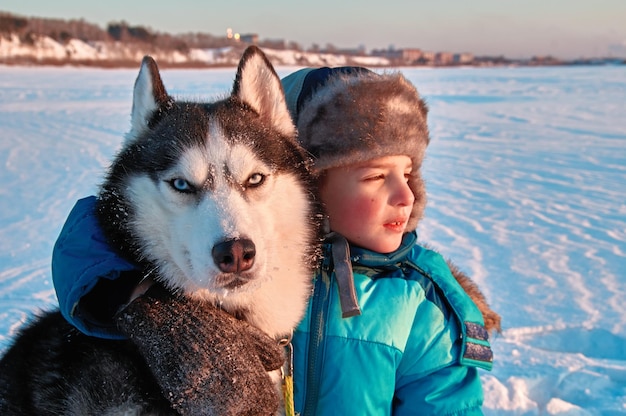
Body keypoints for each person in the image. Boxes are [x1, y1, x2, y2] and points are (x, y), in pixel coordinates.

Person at [52, 66, 496, 415]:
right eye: (376, 176)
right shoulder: (271, 266)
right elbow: (95, 233)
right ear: (312, 183)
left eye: (408, 174)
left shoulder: (422, 303)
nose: (406, 195)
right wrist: (136, 299)